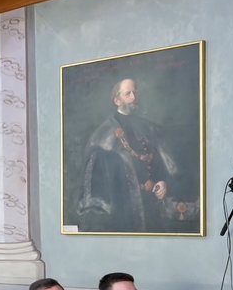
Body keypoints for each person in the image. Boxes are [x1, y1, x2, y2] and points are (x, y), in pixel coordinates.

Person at [77, 77, 182, 233]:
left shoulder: (149, 128)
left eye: (135, 93)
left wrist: (163, 182)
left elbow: (161, 164)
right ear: (117, 100)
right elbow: (95, 188)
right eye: (128, 94)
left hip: (152, 207)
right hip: (123, 211)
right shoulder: (103, 136)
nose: (134, 97)